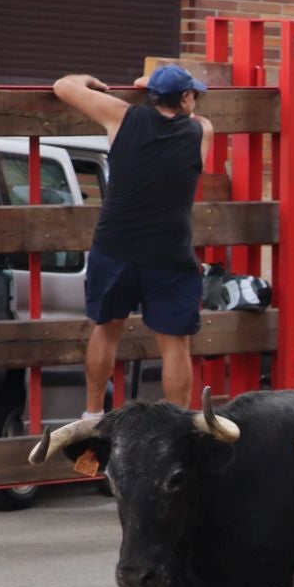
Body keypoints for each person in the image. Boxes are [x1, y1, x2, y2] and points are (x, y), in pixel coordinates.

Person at [52, 64, 214, 414]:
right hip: (169, 251)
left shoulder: (123, 117)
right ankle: (177, 421)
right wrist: (153, 86)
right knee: (175, 344)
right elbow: (192, 117)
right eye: (192, 94)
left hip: (115, 244)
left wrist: (90, 79)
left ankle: (93, 413)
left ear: (152, 96)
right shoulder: (200, 131)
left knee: (106, 329)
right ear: (185, 98)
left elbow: (64, 85)